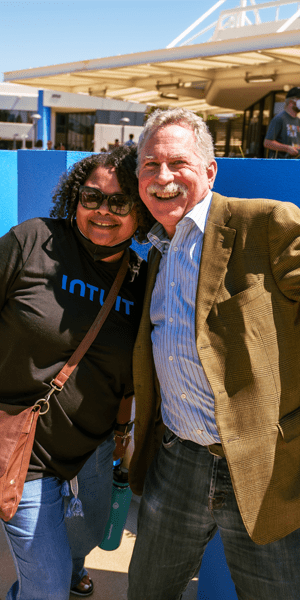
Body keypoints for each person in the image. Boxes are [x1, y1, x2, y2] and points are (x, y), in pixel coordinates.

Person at [127, 107, 300, 600]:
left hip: (262, 470)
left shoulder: (264, 224)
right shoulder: (155, 250)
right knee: (147, 592)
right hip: (176, 462)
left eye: (178, 163)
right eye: (149, 165)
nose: (162, 178)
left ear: (209, 170)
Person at [0, 145, 152, 600]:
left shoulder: (141, 279)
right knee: (46, 587)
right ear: (74, 198)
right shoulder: (33, 240)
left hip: (95, 450)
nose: (103, 211)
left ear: (141, 211)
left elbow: (131, 374)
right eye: (91, 197)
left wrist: (124, 437)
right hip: (25, 449)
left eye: (120, 202)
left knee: (80, 542)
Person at [263, 86, 300, 158]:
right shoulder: (279, 119)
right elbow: (267, 143)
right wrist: (287, 148)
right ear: (291, 101)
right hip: (280, 165)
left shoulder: (298, 121)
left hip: (295, 164)